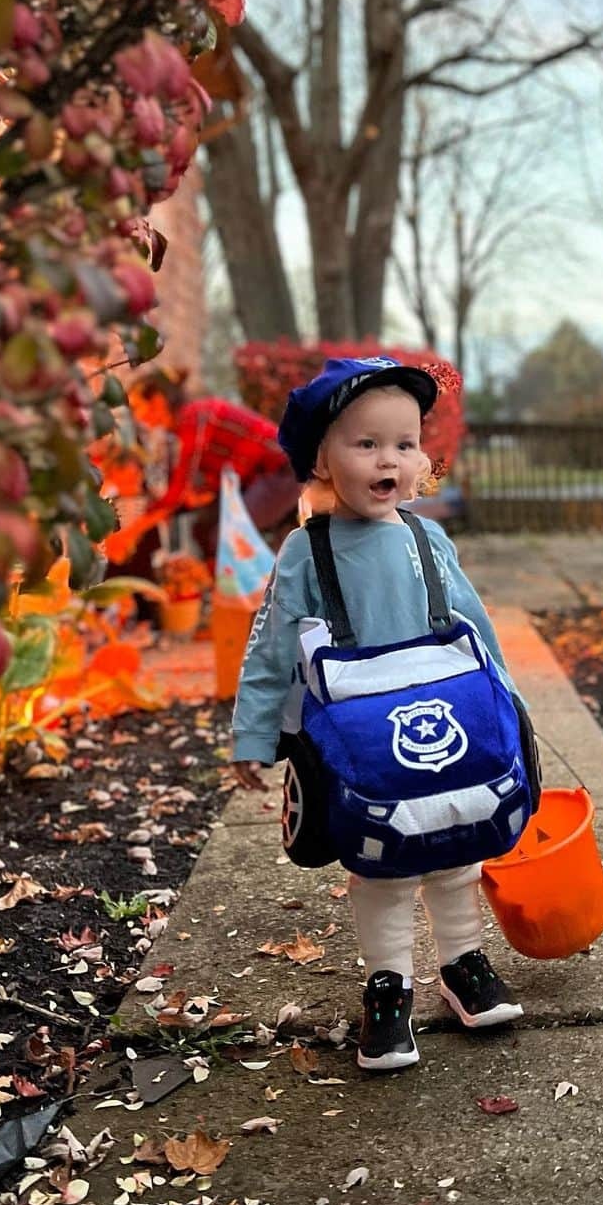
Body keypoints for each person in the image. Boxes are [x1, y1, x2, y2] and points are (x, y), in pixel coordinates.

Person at [230, 357, 524, 1072]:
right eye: (365, 444)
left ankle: (463, 964)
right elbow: (271, 643)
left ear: (423, 458)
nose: (387, 458)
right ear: (323, 460)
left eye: (403, 442)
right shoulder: (310, 548)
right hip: (359, 736)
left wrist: (506, 701)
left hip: (443, 714)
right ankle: (388, 986)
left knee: (458, 845)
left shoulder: (428, 540)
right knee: (385, 862)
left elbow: (472, 622)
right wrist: (254, 731)